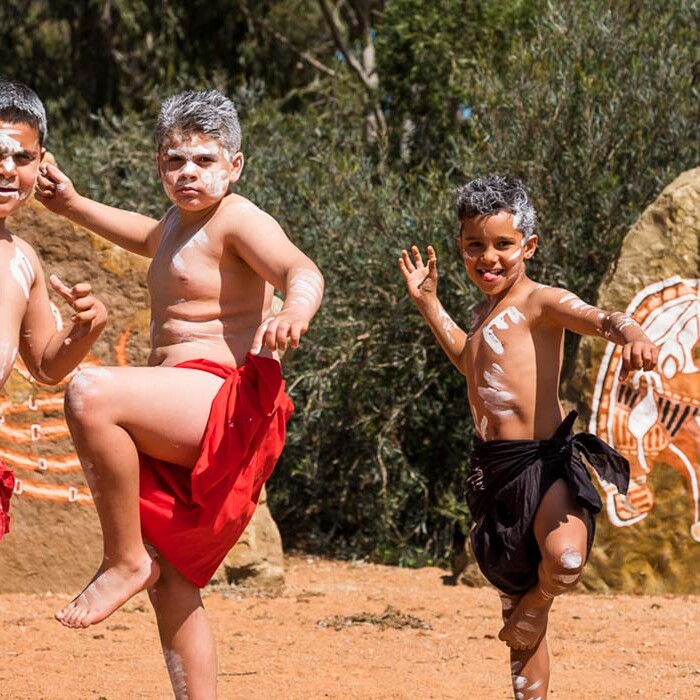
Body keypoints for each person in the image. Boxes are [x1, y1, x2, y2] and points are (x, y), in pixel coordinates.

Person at [36, 89, 323, 698]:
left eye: (204, 160)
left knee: (90, 392)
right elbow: (144, 235)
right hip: (180, 411)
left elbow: (301, 270)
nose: (188, 172)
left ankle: (123, 560)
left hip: (223, 403)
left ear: (234, 165)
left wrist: (294, 309)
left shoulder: (238, 217)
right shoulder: (174, 224)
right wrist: (72, 205)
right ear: (159, 165)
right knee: (171, 581)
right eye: (175, 161)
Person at [399, 176, 657, 700]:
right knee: (515, 617)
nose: (488, 258)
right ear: (460, 245)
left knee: (564, 560)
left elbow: (599, 318)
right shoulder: (481, 314)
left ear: (529, 246)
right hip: (493, 470)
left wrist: (632, 333)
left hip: (544, 463)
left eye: (503, 244)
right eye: (475, 245)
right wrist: (428, 303)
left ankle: (537, 603)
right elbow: (469, 362)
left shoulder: (541, 301)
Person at [0, 77, 107, 541]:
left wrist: (86, 327)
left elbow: (45, 365)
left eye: (22, 158)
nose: (7, 170)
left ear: (42, 160)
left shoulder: (23, 260)